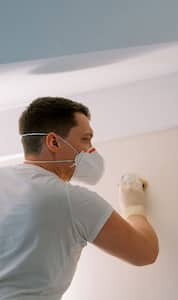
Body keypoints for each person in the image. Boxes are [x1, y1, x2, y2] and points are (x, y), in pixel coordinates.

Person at [0, 97, 159, 300]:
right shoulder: (71, 200)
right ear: (54, 142)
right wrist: (135, 208)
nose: (91, 150)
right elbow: (145, 252)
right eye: (85, 139)